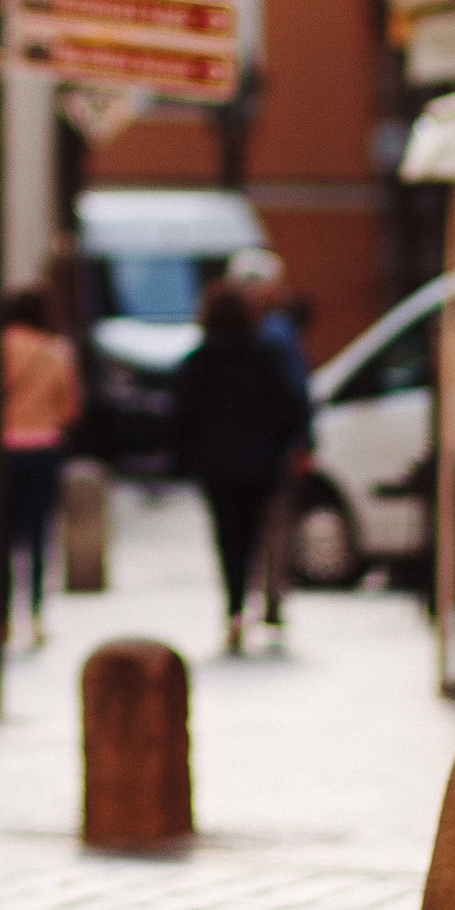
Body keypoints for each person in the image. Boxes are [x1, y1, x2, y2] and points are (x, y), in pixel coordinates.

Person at [169, 280, 308, 654]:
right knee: (256, 534)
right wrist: (281, 444)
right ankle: (257, 600)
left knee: (227, 537)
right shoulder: (266, 356)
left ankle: (234, 609)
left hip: (216, 465)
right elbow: (290, 405)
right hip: (260, 463)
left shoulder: (198, 361)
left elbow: (182, 415)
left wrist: (186, 456)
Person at [223, 244, 314, 633]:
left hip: (248, 451)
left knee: (247, 531)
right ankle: (267, 599)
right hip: (267, 449)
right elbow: (297, 394)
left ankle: (249, 602)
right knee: (272, 526)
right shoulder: (277, 334)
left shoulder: (245, 333)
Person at [0, 284, 81, 642]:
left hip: (3, 450)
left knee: (1, 537)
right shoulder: (57, 350)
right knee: (38, 534)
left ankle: (1, 618)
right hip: (44, 447)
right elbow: (70, 407)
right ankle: (34, 614)